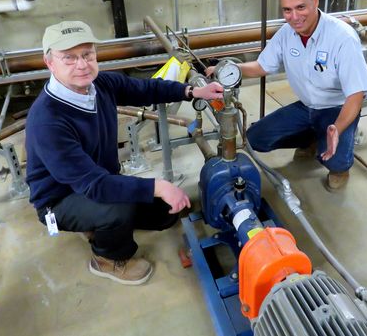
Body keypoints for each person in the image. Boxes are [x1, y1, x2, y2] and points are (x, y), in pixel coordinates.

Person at [25, 21, 223, 285]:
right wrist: (159, 186)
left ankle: (102, 223)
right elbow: (95, 185)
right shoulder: (47, 120)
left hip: (98, 180)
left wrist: (191, 91)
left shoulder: (99, 85)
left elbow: (144, 89)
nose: (82, 65)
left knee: (166, 213)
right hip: (61, 198)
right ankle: (107, 258)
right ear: (50, 63)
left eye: (87, 55)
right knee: (116, 209)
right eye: (69, 58)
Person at [208, 0, 367, 191]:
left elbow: (355, 95)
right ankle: (311, 138)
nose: (294, 17)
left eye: (300, 7)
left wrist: (338, 128)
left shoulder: (342, 38)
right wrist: (231, 69)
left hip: (337, 109)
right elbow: (262, 66)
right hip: (306, 107)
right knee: (255, 139)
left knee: (333, 159)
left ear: (315, 0)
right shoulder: (287, 34)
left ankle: (340, 167)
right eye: (287, 10)